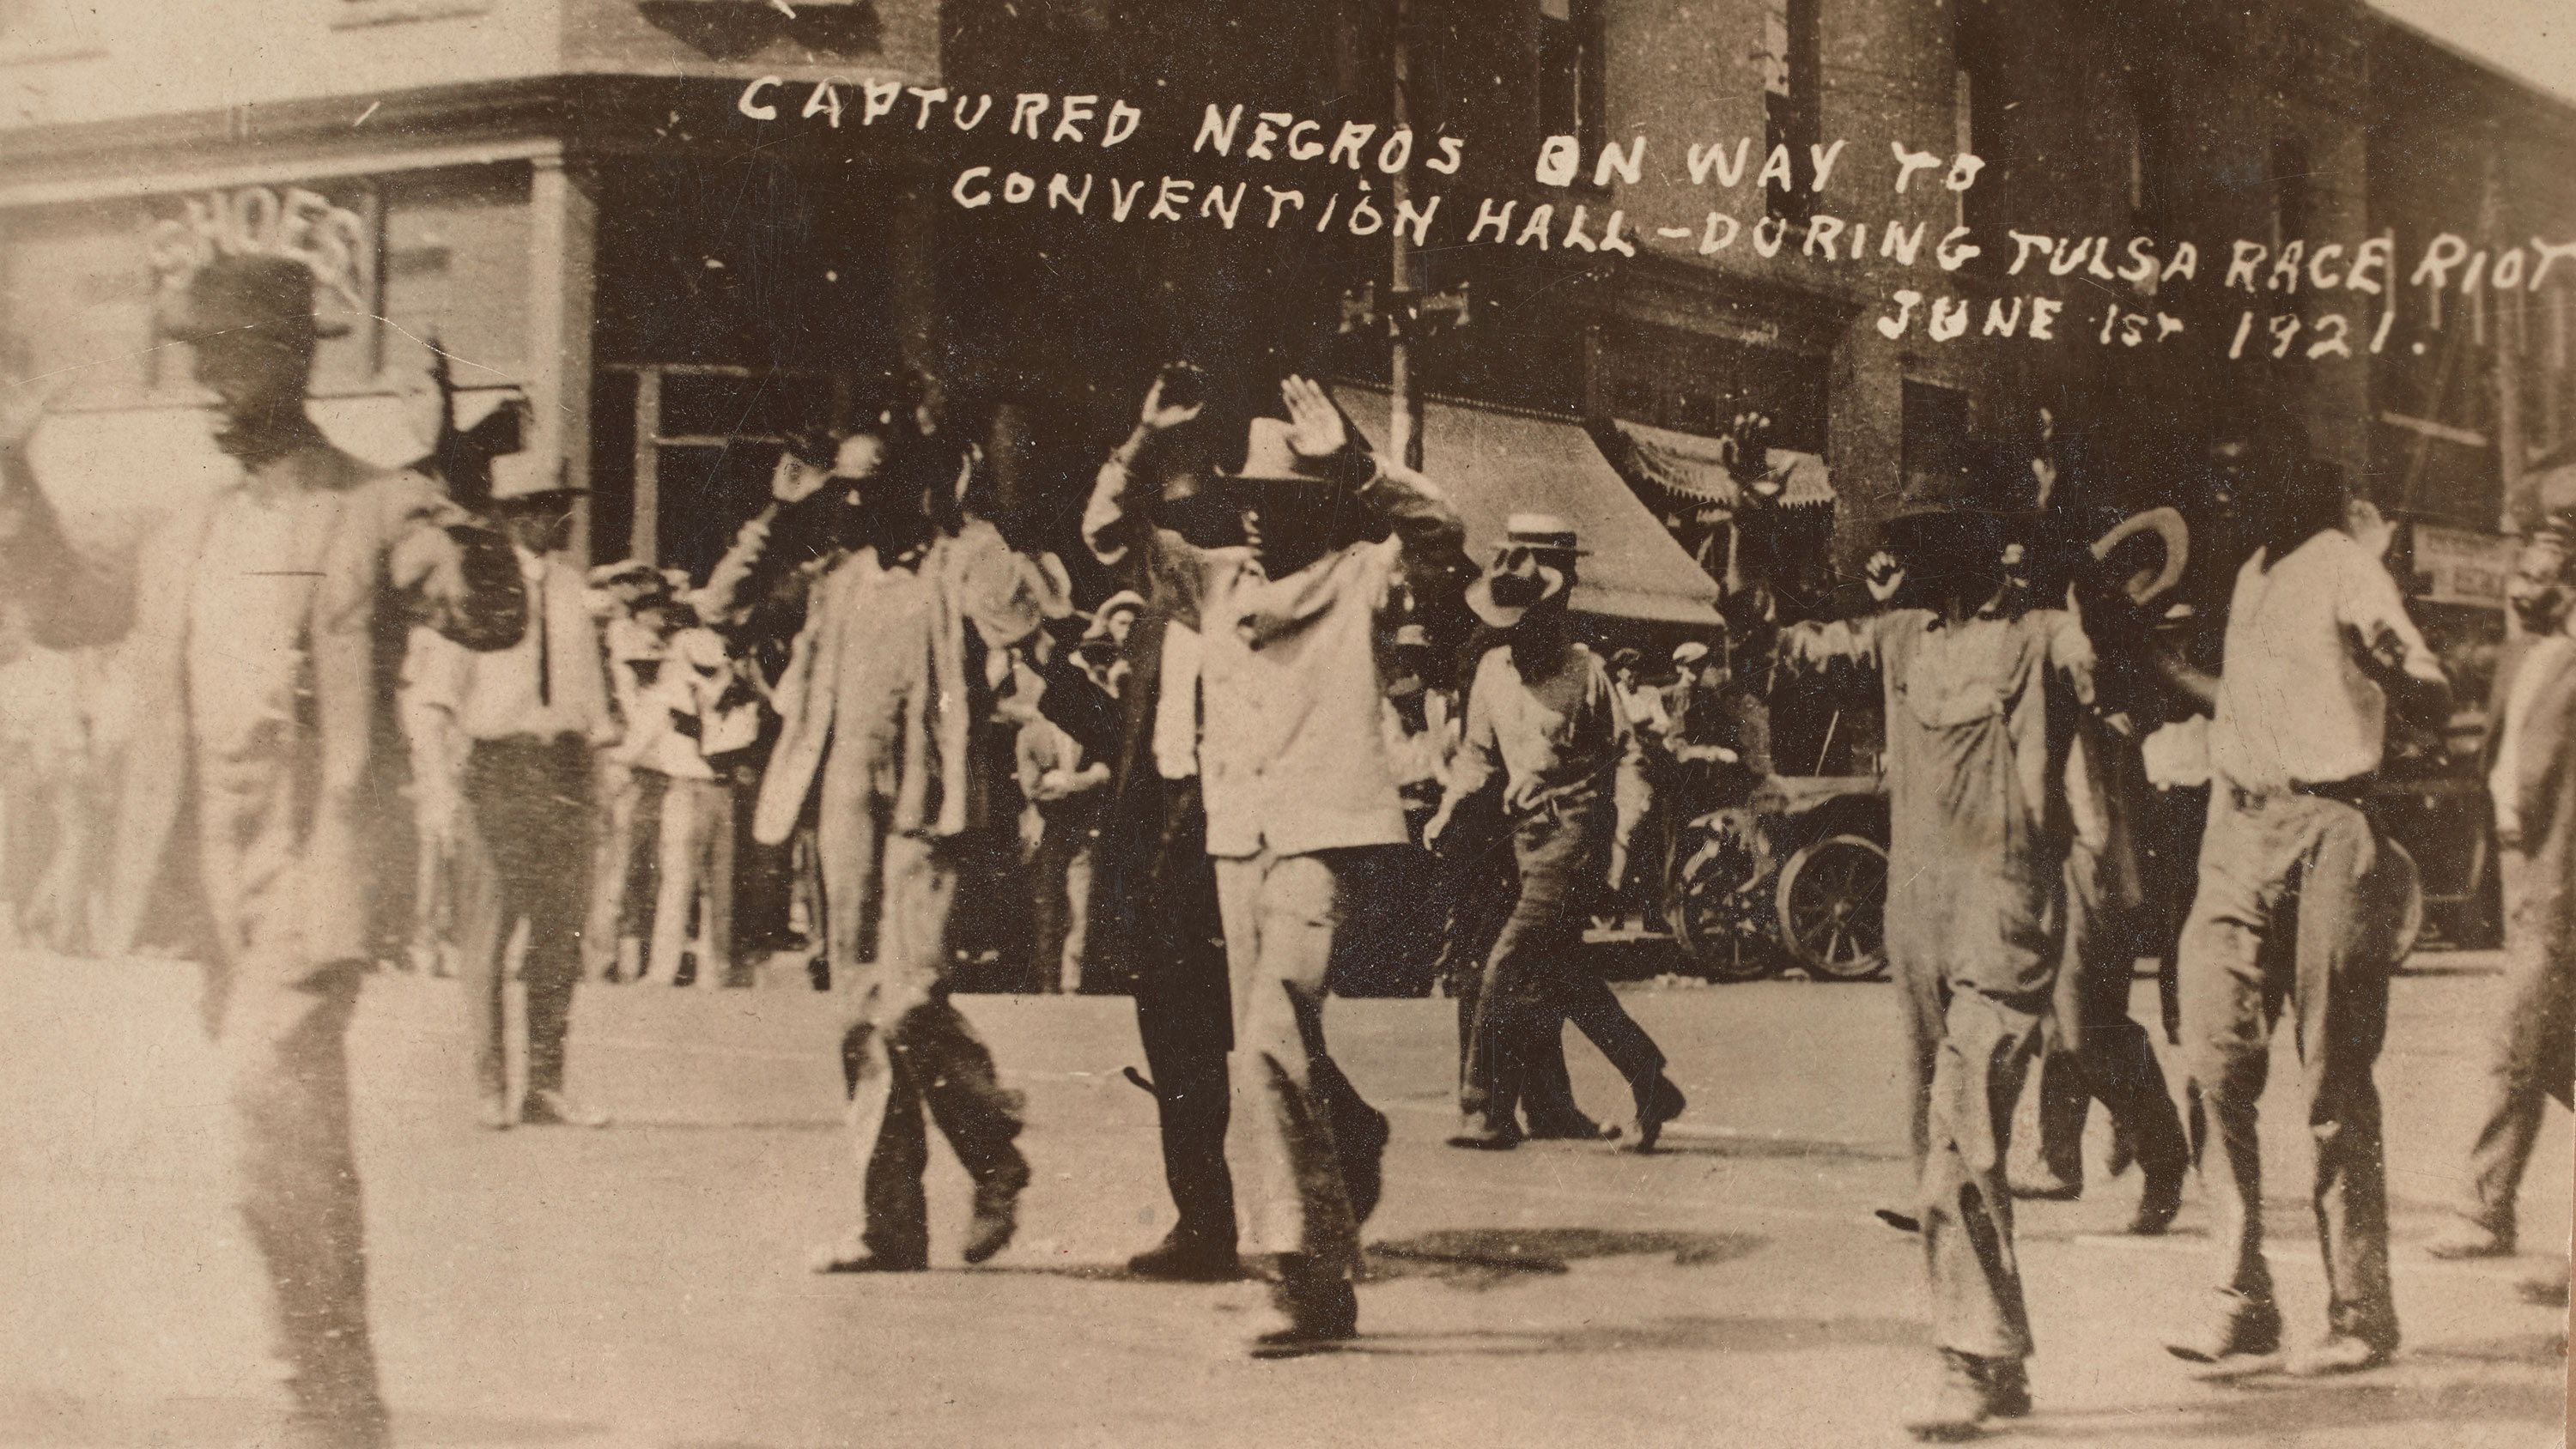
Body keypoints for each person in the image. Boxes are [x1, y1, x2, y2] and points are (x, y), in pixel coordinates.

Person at [2, 254, 524, 1448]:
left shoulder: (378, 503)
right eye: (197, 363)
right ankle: (342, 1405)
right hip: (213, 885)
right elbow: (66, 614)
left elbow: (488, 616)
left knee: (262, 1113)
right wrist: (14, 472)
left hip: (321, 864)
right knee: (291, 1145)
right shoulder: (181, 527)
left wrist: (468, 494)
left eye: (230, 361)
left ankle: (316, 1402)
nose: (208, 387)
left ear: (293, 366)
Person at [1085, 372, 1465, 1354]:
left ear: (1319, 506)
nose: (1256, 521)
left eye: (1282, 503)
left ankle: (1295, 1271)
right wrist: (1141, 439)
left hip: (1322, 835)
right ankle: (1327, 1281)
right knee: (1273, 1057)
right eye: (1248, 503)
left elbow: (1445, 534)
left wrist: (1359, 466)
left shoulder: (1361, 573)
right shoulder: (1213, 583)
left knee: (1267, 1037)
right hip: (1235, 838)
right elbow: (1106, 535)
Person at [1776, 453, 2100, 1440]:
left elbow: (2112, 659)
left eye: (1927, 541)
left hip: (2004, 920)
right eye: (1904, 542)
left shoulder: (2045, 639)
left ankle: (1966, 1359)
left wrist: (2069, 546)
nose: (1907, 558)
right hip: (1913, 922)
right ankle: (2000, 1353)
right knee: (1946, 1144)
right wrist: (1759, 522)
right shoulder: (1900, 641)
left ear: (1980, 546)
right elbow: (1786, 645)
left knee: (1963, 1134)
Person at [2161, 458, 2447, 1378]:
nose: (2228, 493)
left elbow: (2428, 686)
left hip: (2332, 821)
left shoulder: (2342, 563)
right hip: (2240, 825)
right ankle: (2242, 1297)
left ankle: (2360, 1310)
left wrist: (2393, 676)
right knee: (2213, 1056)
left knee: (2333, 1076)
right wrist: (2164, 668)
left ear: (2296, 488)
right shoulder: (2253, 574)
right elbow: (2249, 709)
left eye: (2246, 480)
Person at [761, 421, 1065, 1275]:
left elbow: (1017, 619)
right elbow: (726, 609)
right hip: (843, 808)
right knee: (860, 1016)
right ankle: (887, 1224)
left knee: (912, 1002)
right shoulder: (838, 577)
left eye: (874, 488)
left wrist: (979, 516)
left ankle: (995, 1143)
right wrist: (779, 518)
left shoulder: (959, 560)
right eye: (846, 490)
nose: (858, 503)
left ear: (917, 490)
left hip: (929, 810)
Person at [1429, 517, 1689, 1154]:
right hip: (1525, 840)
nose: (1515, 636)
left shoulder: (1586, 671)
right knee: (1563, 975)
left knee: (1510, 962)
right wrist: (1446, 810)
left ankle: (1484, 1110)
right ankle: (1648, 1078)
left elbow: (1629, 759)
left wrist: (1623, 846)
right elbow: (1476, 758)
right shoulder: (1492, 670)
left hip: (1577, 835)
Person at [409, 478, 622, 1128]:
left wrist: (601, 770)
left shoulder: (570, 588)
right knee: (490, 934)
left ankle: (546, 1086)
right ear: (510, 516)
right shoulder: (474, 584)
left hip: (564, 768)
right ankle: (490, 1086)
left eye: (562, 507)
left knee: (561, 936)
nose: (556, 519)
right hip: (498, 769)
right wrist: (441, 788)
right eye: (541, 507)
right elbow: (433, 700)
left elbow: (588, 692)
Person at [2425, 518, 2576, 1264]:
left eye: (2537, 575)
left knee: (2517, 1039)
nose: (2518, 588)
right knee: (2552, 1051)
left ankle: (2484, 1208)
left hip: (2563, 876)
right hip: (2519, 872)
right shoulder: (2522, 657)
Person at [1013, 662, 1109, 993]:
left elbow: (1103, 775)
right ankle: (1047, 983)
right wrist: (1084, 781)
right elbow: (1034, 788)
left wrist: (1068, 781)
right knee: (1048, 907)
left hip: (1082, 832)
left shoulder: (1092, 733)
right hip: (1046, 833)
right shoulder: (1030, 735)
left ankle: (1073, 983)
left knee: (1081, 907)